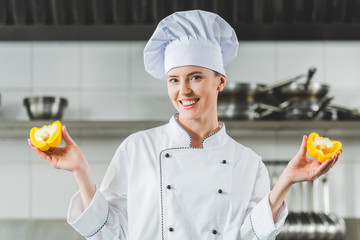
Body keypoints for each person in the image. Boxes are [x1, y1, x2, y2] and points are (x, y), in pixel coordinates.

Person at [28, 10, 342, 240]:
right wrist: (80, 169)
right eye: (174, 80)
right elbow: (111, 233)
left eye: (195, 77)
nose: (184, 90)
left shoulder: (247, 162)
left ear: (219, 82)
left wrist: (286, 180)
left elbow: (252, 236)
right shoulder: (139, 148)